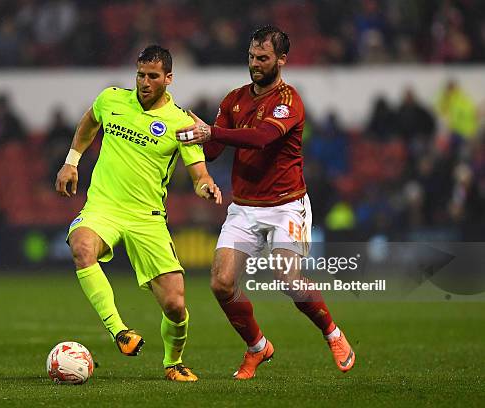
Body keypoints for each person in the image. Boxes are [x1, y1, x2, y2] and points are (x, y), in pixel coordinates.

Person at [176, 25, 355, 379]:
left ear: (281, 60)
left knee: (287, 276)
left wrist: (213, 132)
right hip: (244, 206)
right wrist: (189, 132)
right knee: (220, 283)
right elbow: (213, 152)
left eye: (263, 58)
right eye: (251, 57)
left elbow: (260, 138)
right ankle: (258, 347)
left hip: (287, 204)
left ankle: (333, 334)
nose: (255, 64)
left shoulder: (290, 101)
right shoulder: (234, 99)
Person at [55, 45, 222, 382]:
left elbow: (199, 171)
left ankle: (173, 363)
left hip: (147, 217)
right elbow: (89, 122)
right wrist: (71, 161)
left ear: (169, 78)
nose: (144, 82)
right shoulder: (111, 99)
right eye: (140, 75)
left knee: (175, 306)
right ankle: (119, 332)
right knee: (82, 247)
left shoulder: (181, 122)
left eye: (153, 76)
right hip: (104, 207)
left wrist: (205, 185)